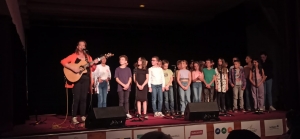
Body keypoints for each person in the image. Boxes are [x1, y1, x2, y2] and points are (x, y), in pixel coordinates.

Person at [60, 40, 99, 124]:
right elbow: (63, 61)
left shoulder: (88, 57)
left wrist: (93, 64)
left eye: (83, 45)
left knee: (84, 98)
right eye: (80, 45)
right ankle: (74, 117)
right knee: (76, 98)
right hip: (76, 78)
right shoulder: (73, 56)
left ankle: (82, 116)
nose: (82, 46)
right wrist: (73, 68)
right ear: (77, 47)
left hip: (86, 78)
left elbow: (92, 69)